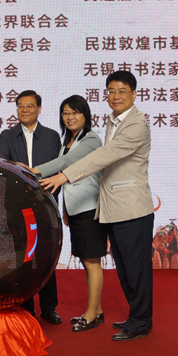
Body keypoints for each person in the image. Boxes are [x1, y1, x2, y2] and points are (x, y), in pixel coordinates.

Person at [40, 71, 155, 341]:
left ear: (134, 94)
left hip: (132, 209)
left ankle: (140, 322)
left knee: (136, 269)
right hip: (114, 208)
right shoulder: (114, 120)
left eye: (122, 91)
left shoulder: (136, 124)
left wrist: (65, 176)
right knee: (125, 269)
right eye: (111, 91)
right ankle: (136, 316)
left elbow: (105, 155)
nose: (116, 96)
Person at [27, 95, 106, 332]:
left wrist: (34, 170)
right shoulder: (69, 140)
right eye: (65, 113)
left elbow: (67, 163)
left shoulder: (91, 139)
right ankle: (97, 311)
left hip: (90, 207)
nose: (70, 117)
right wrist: (65, 211)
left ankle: (90, 315)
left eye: (75, 112)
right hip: (76, 208)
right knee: (86, 260)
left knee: (92, 261)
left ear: (85, 115)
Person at [0, 90, 62, 324]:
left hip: (45, 204)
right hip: (17, 207)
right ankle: (25, 307)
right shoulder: (7, 135)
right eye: (21, 106)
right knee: (21, 258)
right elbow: (2, 167)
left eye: (30, 106)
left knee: (46, 255)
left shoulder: (52, 136)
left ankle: (49, 307)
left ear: (39, 109)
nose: (25, 110)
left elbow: (58, 169)